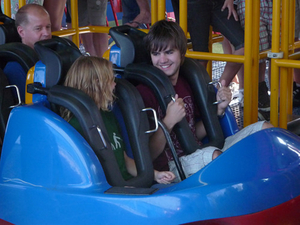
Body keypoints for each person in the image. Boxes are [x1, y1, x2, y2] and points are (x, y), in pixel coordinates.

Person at [136, 20, 273, 180]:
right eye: (156, 54)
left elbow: (194, 131)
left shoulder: (186, 83)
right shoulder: (144, 93)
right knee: (215, 157)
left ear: (181, 52)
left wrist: (219, 110)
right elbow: (147, 154)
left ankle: (271, 184)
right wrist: (168, 122)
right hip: (172, 166)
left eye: (168, 52)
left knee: (265, 129)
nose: (163, 60)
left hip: (199, 151)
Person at [61, 56, 175, 184]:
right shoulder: (76, 127)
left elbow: (125, 161)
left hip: (128, 185)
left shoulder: (107, 116)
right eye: (111, 80)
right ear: (97, 84)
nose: (115, 84)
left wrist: (156, 175)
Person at [171, 0, 244, 89]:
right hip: (195, 4)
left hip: (219, 3)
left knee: (244, 46)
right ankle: (201, 96)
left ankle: (219, 91)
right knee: (201, 57)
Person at [3, 4, 52, 102]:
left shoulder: (56, 54)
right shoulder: (15, 68)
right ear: (21, 32)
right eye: (38, 28)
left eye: (48, 27)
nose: (46, 33)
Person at [236, 0, 272, 120]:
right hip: (250, 4)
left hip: (274, 4)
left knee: (275, 51)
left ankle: (263, 94)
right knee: (255, 50)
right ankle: (254, 94)